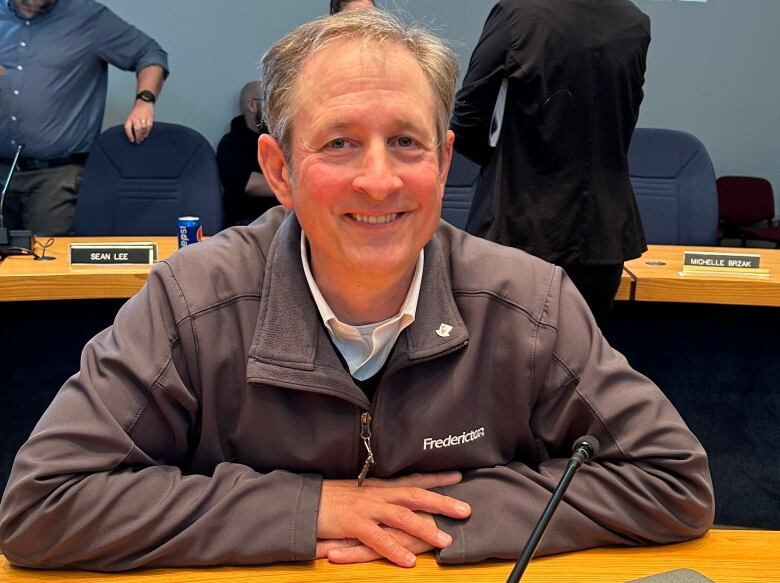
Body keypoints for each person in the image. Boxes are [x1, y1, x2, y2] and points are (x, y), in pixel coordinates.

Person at [0, 9, 712, 571]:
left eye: (406, 142)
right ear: (279, 170)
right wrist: (301, 509)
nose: (380, 180)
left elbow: (674, 480)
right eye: (339, 143)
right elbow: (41, 505)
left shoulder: (531, 300)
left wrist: (439, 512)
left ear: (442, 160)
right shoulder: (189, 300)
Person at [451, 0, 650, 325]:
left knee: (506, 368)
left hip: (519, 228)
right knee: (581, 368)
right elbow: (622, 124)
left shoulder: (517, 13)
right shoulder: (635, 21)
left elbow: (468, 118)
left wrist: (504, 165)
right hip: (602, 240)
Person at [0, 0, 169, 236]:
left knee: (49, 267)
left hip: (55, 177)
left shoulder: (88, 17)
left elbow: (150, 53)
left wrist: (144, 101)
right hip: (2, 169)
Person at [216, 81, 277, 227]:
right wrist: (297, 187)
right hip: (250, 225)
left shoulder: (281, 138)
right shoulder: (231, 143)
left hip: (288, 222)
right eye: (270, 100)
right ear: (252, 105)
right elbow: (251, 184)